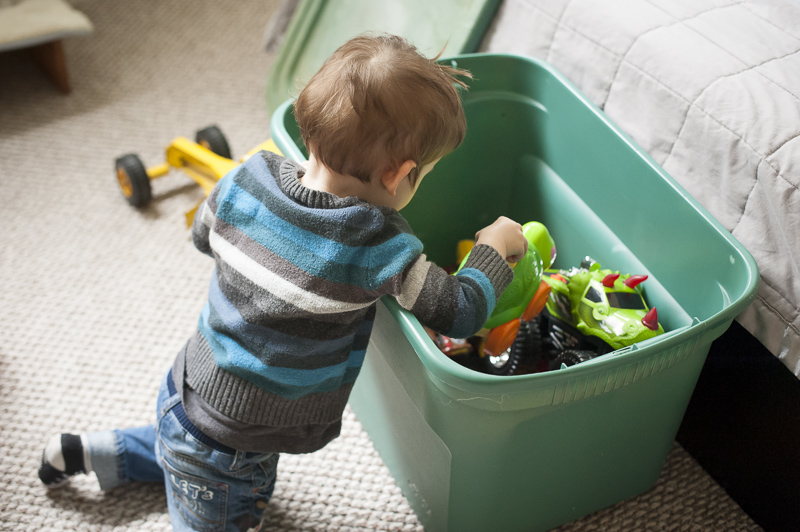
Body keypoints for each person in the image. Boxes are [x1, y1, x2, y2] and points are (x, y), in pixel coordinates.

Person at [37, 33, 528, 532]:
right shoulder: (379, 244)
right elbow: (460, 311)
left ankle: (89, 452)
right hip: (233, 450)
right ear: (400, 174)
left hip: (188, 385)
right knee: (205, 495)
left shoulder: (249, 176)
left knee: (174, 439)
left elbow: (202, 236)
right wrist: (493, 249)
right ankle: (121, 462)